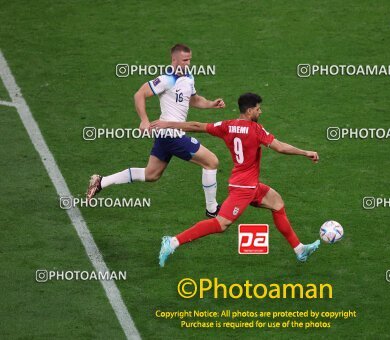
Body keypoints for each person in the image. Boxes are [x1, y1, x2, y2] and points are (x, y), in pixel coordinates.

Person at [151, 92, 321, 267]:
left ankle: (299, 249)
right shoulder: (256, 129)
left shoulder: (227, 126)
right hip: (243, 189)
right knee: (220, 224)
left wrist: (168, 124)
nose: (260, 112)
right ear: (249, 111)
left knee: (277, 203)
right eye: (258, 109)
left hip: (247, 184)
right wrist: (305, 152)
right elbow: (280, 148)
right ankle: (172, 242)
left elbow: (197, 125)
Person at [87, 44, 225, 217]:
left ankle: (101, 181)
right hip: (172, 134)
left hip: (166, 135)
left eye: (190, 60)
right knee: (211, 161)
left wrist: (211, 103)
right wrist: (144, 120)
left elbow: (194, 100)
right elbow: (139, 94)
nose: (188, 63)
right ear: (174, 60)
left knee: (151, 174)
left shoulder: (189, 76)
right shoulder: (166, 79)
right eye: (185, 60)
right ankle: (212, 209)